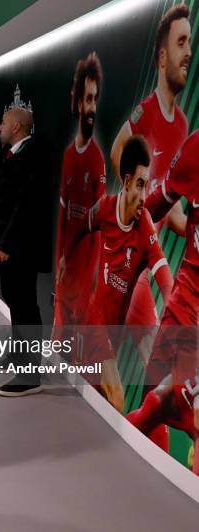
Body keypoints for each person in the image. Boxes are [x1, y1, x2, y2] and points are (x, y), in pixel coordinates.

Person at [59, 135, 173, 413]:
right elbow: (82, 227)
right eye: (140, 185)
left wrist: (176, 308)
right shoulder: (105, 209)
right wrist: (65, 256)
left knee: (92, 395)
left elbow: (163, 273)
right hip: (96, 321)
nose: (145, 196)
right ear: (125, 182)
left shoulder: (144, 225)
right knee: (117, 397)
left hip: (115, 329)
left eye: (147, 186)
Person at [110, 4, 191, 350]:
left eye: (191, 44)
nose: (188, 53)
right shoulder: (146, 111)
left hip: (149, 262)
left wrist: (191, 226)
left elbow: (171, 207)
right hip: (128, 255)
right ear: (161, 58)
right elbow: (117, 152)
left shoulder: (184, 125)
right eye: (181, 43)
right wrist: (136, 210)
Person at [126, 131, 199, 470]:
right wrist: (127, 224)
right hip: (185, 308)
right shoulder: (195, 147)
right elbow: (162, 204)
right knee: (155, 399)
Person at [0, 103, 50, 397]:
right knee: (15, 302)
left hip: (20, 248)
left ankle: (30, 374)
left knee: (25, 306)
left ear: (17, 126)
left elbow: (26, 207)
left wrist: (6, 244)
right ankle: (19, 355)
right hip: (4, 245)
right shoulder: (7, 153)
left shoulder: (34, 155)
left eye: (3, 122)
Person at [55, 52, 106, 328]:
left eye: (95, 99)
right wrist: (61, 258)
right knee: (59, 336)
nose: (93, 108)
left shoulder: (97, 159)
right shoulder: (68, 156)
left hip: (85, 278)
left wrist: (92, 277)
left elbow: (98, 229)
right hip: (65, 271)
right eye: (88, 99)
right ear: (77, 103)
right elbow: (63, 217)